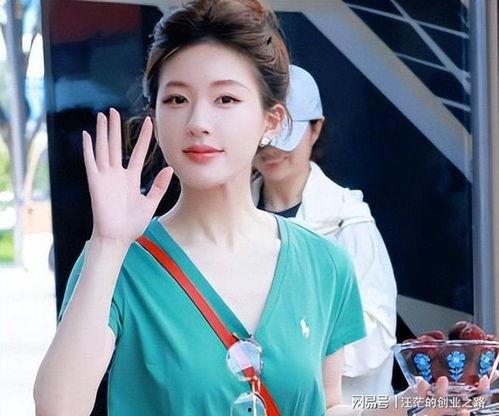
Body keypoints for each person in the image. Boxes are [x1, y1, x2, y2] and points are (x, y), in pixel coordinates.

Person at [33, 1, 489, 415]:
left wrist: (406, 409)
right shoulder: (118, 262)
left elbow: (327, 406)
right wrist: (108, 243)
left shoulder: (324, 263)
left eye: (226, 99)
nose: (198, 122)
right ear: (155, 115)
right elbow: (58, 408)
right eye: (176, 99)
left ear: (271, 121)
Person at [252, 65, 397, 402]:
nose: (271, 149)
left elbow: (375, 339)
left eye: (286, 135)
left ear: (316, 129)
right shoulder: (228, 216)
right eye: (263, 135)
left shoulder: (348, 220)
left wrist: (291, 345)